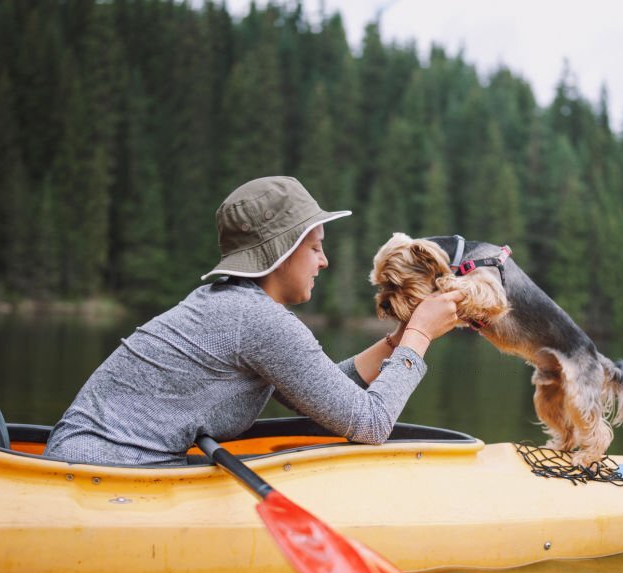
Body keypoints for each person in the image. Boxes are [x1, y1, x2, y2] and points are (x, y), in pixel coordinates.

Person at [44, 176, 464, 465]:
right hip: (101, 475)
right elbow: (370, 424)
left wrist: (400, 340)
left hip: (85, 459)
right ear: (281, 251)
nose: (324, 260)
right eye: (315, 248)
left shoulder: (232, 304)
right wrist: (421, 335)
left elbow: (323, 394)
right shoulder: (258, 320)